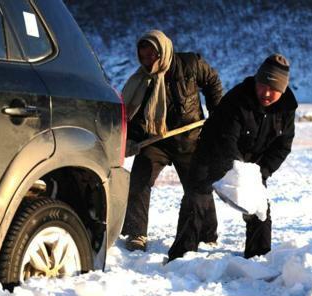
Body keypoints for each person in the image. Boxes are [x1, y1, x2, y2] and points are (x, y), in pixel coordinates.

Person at [168, 53, 298, 261]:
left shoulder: (286, 109)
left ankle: (258, 256)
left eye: (273, 89)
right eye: (263, 85)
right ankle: (181, 255)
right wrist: (237, 170)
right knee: (196, 198)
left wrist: (260, 173)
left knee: (259, 207)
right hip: (212, 153)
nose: (266, 92)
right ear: (256, 81)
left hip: (253, 164)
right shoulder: (237, 98)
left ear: (282, 91)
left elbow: (282, 146)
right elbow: (226, 139)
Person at [121, 30, 223, 251]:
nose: (148, 62)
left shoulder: (190, 64)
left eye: (152, 56)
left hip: (190, 139)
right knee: (139, 179)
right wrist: (131, 140)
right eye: (143, 57)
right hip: (156, 141)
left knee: (198, 186)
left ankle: (207, 234)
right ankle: (136, 233)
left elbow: (213, 82)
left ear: (163, 51)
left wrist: (217, 115)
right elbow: (135, 115)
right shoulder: (141, 81)